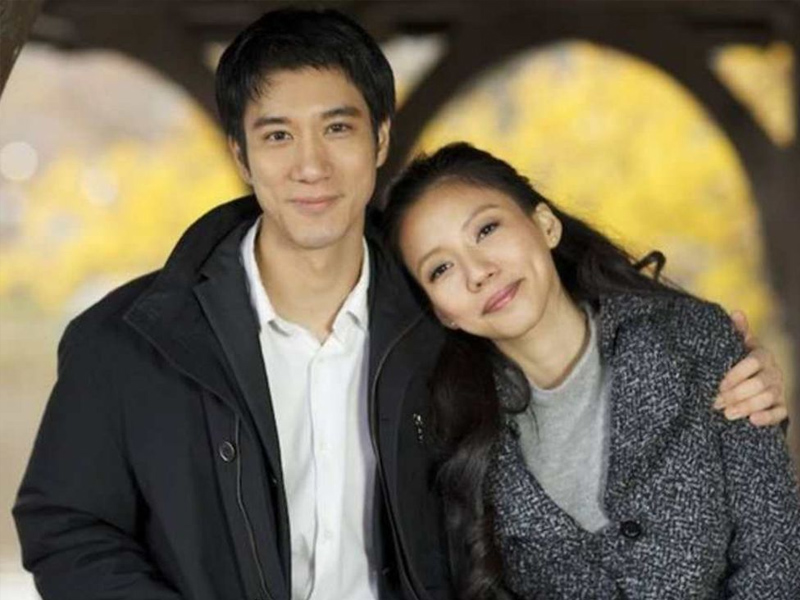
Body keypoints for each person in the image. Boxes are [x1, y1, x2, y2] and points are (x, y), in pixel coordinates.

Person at [12, 8, 788, 600]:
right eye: (277, 136)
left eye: (337, 128)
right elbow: (67, 523)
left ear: (381, 139)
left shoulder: (440, 326)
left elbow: (557, 330)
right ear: (241, 155)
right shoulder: (129, 342)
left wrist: (726, 375)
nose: (311, 165)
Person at [382, 142, 800, 599]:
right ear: (442, 312)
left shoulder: (693, 339)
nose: (478, 272)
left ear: (545, 225)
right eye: (441, 268)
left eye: (486, 229)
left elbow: (775, 554)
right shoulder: (452, 436)